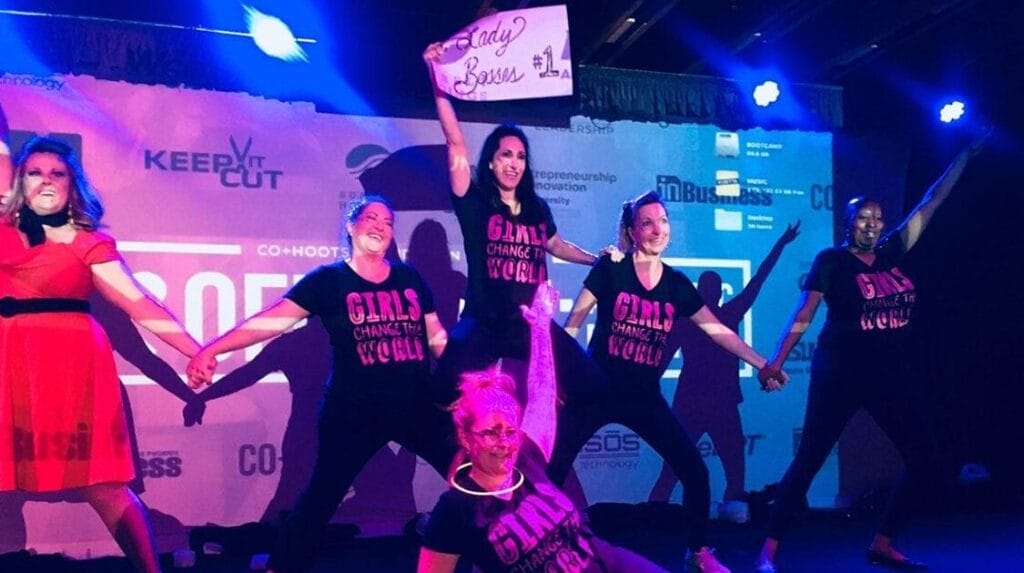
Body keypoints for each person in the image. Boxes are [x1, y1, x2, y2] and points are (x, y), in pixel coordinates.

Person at [186, 195, 457, 573]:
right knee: (319, 498)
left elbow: (436, 337)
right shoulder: (329, 281)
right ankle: (280, 567)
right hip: (353, 411)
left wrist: (466, 380)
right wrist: (213, 349)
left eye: (388, 221)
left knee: (469, 473)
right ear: (350, 226)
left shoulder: (409, 278)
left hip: (413, 404)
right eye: (371, 218)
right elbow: (272, 320)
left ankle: (497, 550)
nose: (380, 225)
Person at [754, 135, 987, 573]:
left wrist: (962, 158)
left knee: (926, 460)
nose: (872, 225)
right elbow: (803, 314)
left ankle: (882, 542)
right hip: (840, 372)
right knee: (808, 461)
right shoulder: (832, 261)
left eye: (878, 219)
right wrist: (776, 362)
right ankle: (767, 551)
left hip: (889, 375)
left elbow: (931, 202)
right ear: (849, 222)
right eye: (863, 218)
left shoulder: (892, 254)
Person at [550, 191, 786, 573]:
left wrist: (764, 363)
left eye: (662, 221)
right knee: (552, 469)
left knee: (695, 471)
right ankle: (532, 546)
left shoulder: (676, 285)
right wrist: (558, 380)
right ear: (632, 230)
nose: (657, 229)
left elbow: (719, 332)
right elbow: (572, 324)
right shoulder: (611, 269)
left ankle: (698, 553)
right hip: (596, 388)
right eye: (647, 222)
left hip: (643, 396)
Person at [0, 133, 201, 573]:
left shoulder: (88, 243)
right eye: (34, 172)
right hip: (6, 362)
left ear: (73, 184)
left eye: (58, 173)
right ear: (19, 179)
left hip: (67, 366)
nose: (45, 181)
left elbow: (139, 303)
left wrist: (194, 351)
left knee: (104, 485)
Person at [418, 282, 670, 573]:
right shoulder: (454, 509)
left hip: (606, 562)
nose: (504, 442)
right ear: (465, 436)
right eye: (490, 432)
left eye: (510, 431)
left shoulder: (526, 458)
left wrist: (539, 328)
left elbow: (542, 393)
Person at [422, 42, 613, 406]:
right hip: (484, 322)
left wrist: (595, 259)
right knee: (440, 392)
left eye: (521, 156)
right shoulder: (475, 203)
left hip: (530, 326)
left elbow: (555, 246)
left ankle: (543, 432)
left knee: (592, 384)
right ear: (491, 162)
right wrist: (437, 79)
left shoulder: (537, 209)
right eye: (505, 155)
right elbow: (455, 143)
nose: (514, 163)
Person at [648, 222, 800, 523]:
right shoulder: (709, 317)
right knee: (679, 470)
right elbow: (661, 360)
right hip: (697, 405)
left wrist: (781, 245)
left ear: (716, 291)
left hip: (715, 405)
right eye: (709, 288)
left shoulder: (713, 316)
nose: (713, 292)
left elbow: (759, 280)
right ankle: (653, 518)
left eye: (715, 288)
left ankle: (664, 519)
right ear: (705, 291)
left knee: (725, 470)